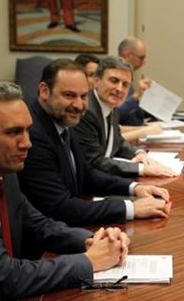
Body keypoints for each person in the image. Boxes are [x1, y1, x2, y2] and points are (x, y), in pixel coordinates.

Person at [0, 81, 127, 300]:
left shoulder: (1, 167)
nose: (27, 143)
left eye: (28, 130)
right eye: (14, 132)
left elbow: (39, 225)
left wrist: (93, 240)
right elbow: (6, 278)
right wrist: (90, 261)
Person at [17, 59, 172, 227]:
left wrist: (134, 187)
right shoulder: (33, 134)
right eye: (69, 95)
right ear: (45, 91)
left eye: (83, 96)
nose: (78, 105)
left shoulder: (62, 120)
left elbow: (86, 174)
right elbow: (60, 208)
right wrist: (130, 208)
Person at [73, 56, 174, 178]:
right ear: (96, 81)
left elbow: (118, 143)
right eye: (114, 80)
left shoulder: (112, 106)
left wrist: (139, 153)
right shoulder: (86, 111)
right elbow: (95, 161)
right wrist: (141, 169)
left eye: (125, 84)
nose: (119, 89)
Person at [117, 36, 154, 126]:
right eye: (141, 58)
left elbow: (133, 111)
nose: (143, 62)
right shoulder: (115, 77)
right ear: (128, 55)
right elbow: (115, 114)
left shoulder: (128, 74)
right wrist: (136, 95)